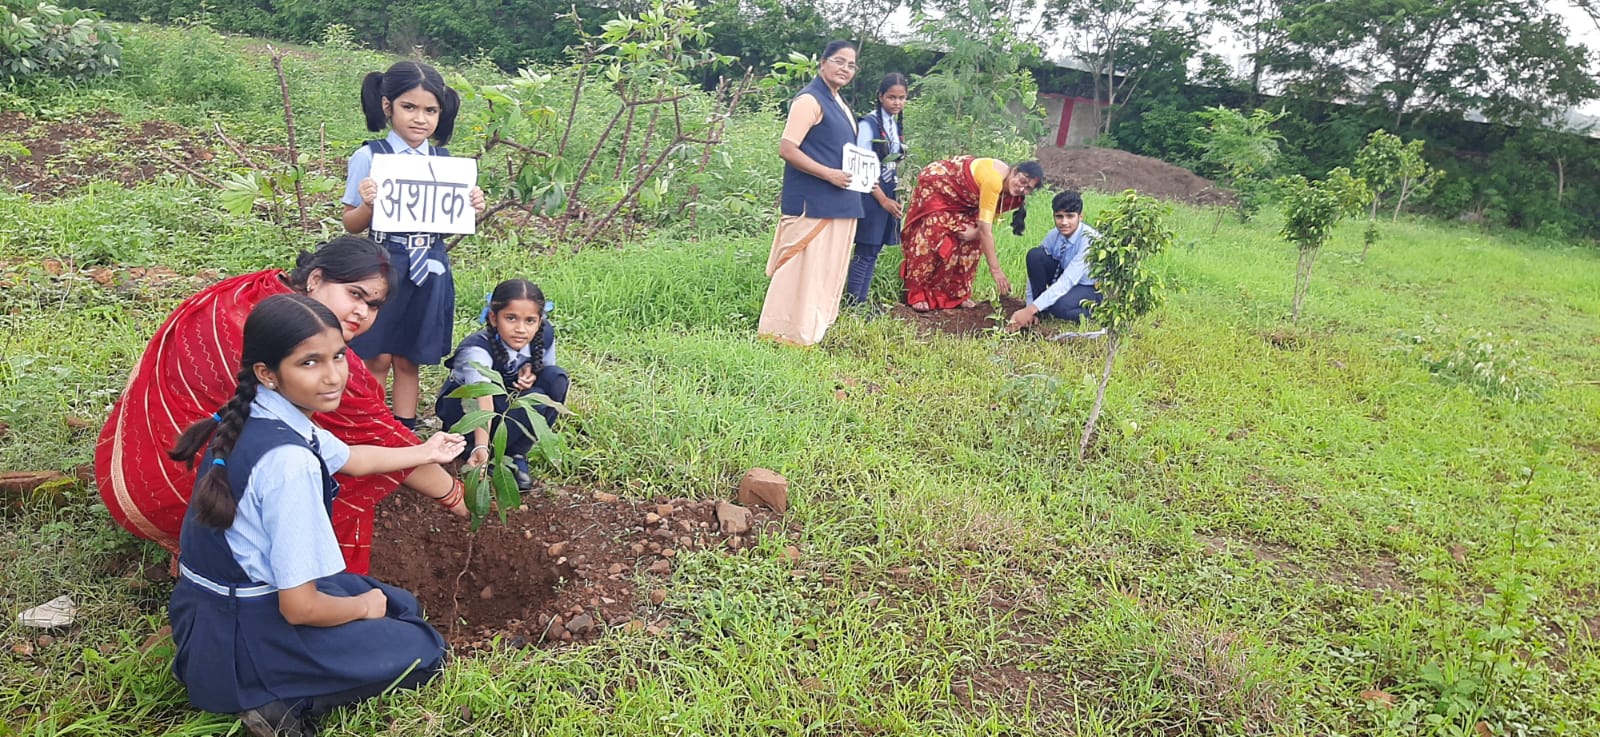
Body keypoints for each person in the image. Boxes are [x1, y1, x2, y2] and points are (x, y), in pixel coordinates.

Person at [167, 294, 456, 737]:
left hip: (209, 615)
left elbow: (353, 459)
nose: (333, 376)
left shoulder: (258, 412)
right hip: (246, 640)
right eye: (310, 363)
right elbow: (300, 608)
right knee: (426, 650)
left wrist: (425, 450)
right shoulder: (289, 464)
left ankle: (300, 672)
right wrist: (361, 608)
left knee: (400, 605)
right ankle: (281, 704)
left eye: (339, 356)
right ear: (268, 373)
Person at [95, 236, 469, 577]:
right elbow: (382, 443)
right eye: (355, 294)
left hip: (137, 464)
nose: (362, 313)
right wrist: (456, 497)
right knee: (346, 501)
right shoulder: (331, 367)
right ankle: (223, 554)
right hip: (182, 495)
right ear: (316, 279)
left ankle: (198, 554)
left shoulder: (247, 292)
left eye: (374, 306)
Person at [340, 61, 486, 430]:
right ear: (387, 106)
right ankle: (369, 424)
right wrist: (368, 204)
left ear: (441, 112)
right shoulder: (370, 157)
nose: (420, 119)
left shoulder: (445, 163)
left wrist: (472, 205)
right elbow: (350, 223)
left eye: (430, 110)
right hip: (383, 262)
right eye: (410, 107)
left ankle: (404, 426)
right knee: (376, 353)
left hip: (430, 264)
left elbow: (450, 220)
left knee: (410, 355)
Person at [757, 40, 864, 346]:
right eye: (839, 61)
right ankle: (784, 332)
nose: (845, 69)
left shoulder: (839, 102)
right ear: (822, 62)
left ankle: (812, 329)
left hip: (840, 201)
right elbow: (787, 149)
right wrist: (828, 174)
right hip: (813, 202)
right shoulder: (809, 100)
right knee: (801, 270)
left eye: (851, 65)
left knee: (825, 271)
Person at [434, 279, 569, 492]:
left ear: (540, 321)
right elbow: (482, 402)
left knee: (555, 379)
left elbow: (545, 368)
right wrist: (480, 447)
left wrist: (531, 370)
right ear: (493, 318)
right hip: (468, 412)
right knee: (523, 404)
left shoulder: (544, 335)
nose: (521, 329)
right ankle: (474, 450)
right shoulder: (476, 350)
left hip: (507, 400)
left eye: (530, 320)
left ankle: (516, 452)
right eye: (511, 318)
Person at [898, 156, 1043, 311]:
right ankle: (917, 292)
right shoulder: (993, 181)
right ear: (1014, 171)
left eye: (1028, 188)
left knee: (972, 242)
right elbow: (986, 232)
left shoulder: (1008, 189)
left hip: (966, 203)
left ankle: (956, 294)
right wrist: (996, 270)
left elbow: (985, 220)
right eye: (1022, 182)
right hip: (941, 189)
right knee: (934, 233)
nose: (1022, 189)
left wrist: (975, 233)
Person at [844, 72, 909, 307]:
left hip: (888, 194)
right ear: (880, 97)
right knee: (866, 249)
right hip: (871, 197)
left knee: (874, 250)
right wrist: (883, 200)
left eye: (902, 98)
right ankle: (853, 304)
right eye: (892, 97)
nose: (897, 103)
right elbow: (861, 168)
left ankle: (859, 301)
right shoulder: (868, 125)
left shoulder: (894, 124)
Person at [1008, 190, 1104, 332]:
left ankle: (1097, 312)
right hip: (1066, 275)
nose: (1064, 222)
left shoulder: (1089, 240)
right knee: (1035, 256)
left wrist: (1030, 309)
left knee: (1059, 307)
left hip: (1090, 286)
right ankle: (1041, 311)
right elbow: (1034, 269)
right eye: (1059, 217)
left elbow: (1068, 280)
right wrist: (1031, 305)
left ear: (1080, 217)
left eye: (1070, 216)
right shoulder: (1054, 235)